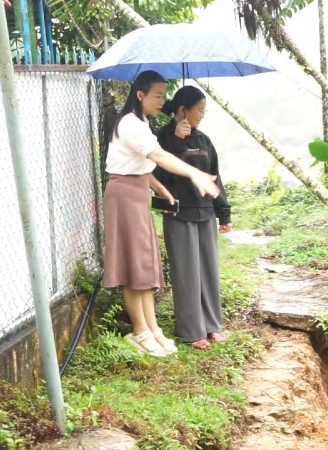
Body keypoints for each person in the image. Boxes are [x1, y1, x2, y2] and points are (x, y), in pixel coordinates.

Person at [103, 71, 220, 357]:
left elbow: (143, 166)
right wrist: (195, 174)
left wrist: (163, 191)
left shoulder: (142, 122)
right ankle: (140, 330)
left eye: (164, 95)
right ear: (140, 95)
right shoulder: (131, 124)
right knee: (133, 265)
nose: (162, 100)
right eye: (157, 95)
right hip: (124, 195)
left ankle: (153, 328)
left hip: (137, 191)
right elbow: (157, 157)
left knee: (144, 264)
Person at [154, 85, 232, 350]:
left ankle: (212, 325)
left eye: (204, 111)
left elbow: (215, 177)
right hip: (178, 213)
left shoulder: (203, 140)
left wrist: (224, 212)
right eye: (199, 110)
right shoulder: (161, 139)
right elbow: (158, 175)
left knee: (208, 271)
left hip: (205, 213)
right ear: (181, 110)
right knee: (186, 272)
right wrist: (176, 141)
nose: (202, 115)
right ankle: (191, 330)